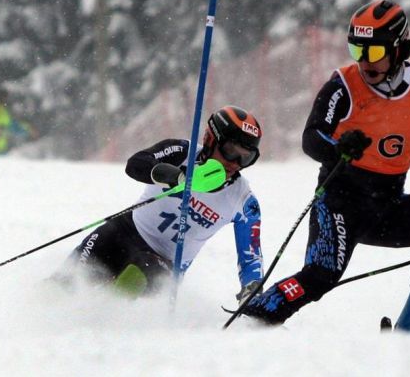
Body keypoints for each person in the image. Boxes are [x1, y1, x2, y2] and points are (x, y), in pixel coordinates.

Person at [242, 0, 410, 333]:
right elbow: (311, 138)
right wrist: (337, 149)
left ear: (399, 49)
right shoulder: (343, 85)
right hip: (339, 202)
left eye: (375, 51)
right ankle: (256, 318)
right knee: (322, 275)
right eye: (357, 50)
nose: (365, 62)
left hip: (387, 206)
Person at [56, 106, 265, 300]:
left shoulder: (244, 201)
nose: (234, 163)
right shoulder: (183, 152)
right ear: (211, 140)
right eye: (230, 151)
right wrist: (178, 177)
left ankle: (97, 320)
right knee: (64, 283)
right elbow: (136, 164)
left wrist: (252, 289)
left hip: (165, 264)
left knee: (136, 275)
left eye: (246, 158)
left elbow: (251, 258)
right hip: (125, 231)